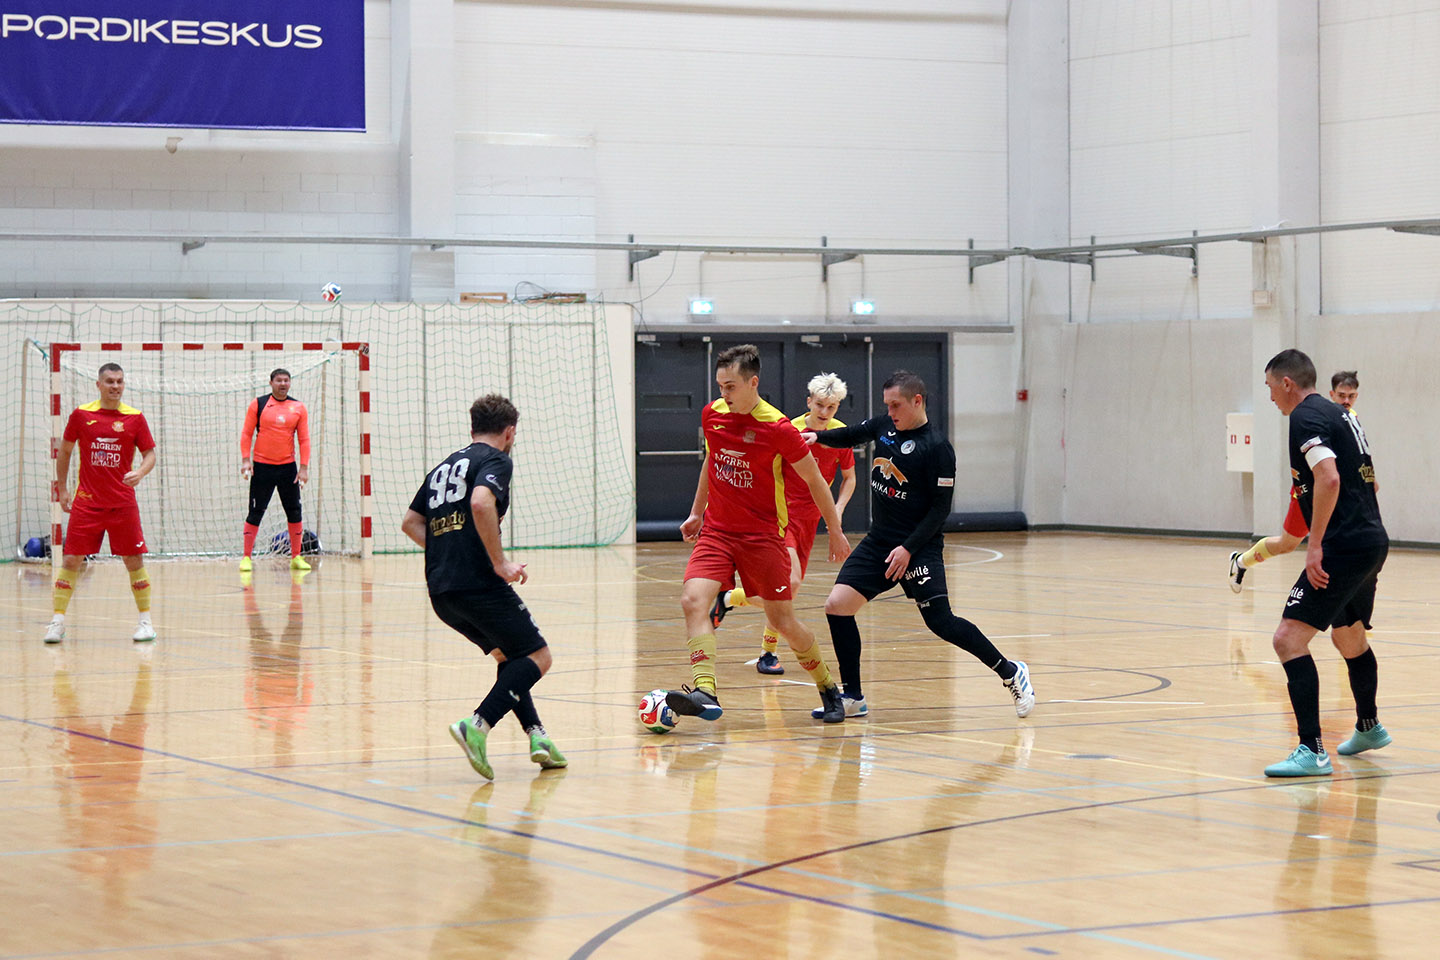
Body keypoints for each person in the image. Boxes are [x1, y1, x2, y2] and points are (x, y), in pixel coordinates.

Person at [804, 370, 1034, 720]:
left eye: (896, 405)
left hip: (918, 546)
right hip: (880, 541)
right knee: (837, 606)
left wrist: (909, 549)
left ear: (917, 401)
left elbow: (940, 510)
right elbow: (851, 435)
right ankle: (853, 697)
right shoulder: (885, 425)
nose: (890, 411)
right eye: (887, 405)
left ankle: (1010, 671)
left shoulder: (937, 448)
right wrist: (817, 437)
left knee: (941, 622)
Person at [669, 344, 854, 723]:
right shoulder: (712, 414)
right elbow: (712, 461)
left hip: (763, 536)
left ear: (753, 383)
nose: (724, 394)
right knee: (692, 600)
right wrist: (696, 513)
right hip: (718, 531)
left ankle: (828, 688)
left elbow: (816, 480)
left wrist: (835, 529)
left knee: (783, 620)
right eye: (720, 386)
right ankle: (705, 690)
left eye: (731, 386)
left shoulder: (778, 428)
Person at [401, 394, 565, 780]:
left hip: (442, 590)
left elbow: (410, 522)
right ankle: (477, 725)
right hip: (477, 583)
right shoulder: (496, 460)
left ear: (472, 427)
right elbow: (480, 503)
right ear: (509, 432)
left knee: (511, 657)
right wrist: (498, 562)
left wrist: (448, 551)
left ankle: (537, 736)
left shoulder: (443, 467)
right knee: (539, 656)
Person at [1259, 349, 1390, 777]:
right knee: (1348, 637)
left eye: (1270, 388)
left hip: (1342, 546)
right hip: (1370, 539)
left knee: (1287, 640)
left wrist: (1315, 545)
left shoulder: (1305, 417)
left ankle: (1312, 750)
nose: (1271, 398)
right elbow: (1367, 480)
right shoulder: (1341, 415)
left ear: (1287, 383)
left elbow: (1329, 477)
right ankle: (1368, 727)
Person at [709, 372, 858, 675]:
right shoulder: (790, 429)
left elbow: (849, 478)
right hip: (782, 516)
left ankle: (731, 601)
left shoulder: (840, 435)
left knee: (786, 591)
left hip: (811, 520)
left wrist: (837, 510)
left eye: (831, 407)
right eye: (819, 405)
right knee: (791, 583)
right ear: (809, 402)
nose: (824, 412)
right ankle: (768, 652)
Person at [45, 363, 157, 644]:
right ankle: (57, 622)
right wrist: (62, 488)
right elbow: (65, 451)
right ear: (98, 384)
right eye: (109, 381)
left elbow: (150, 454)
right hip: (87, 504)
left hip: (122, 504)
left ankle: (145, 623)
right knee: (71, 559)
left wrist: (140, 472)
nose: (115, 386)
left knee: (134, 561)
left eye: (119, 381)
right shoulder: (82, 415)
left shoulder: (135, 418)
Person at [1228, 370, 1370, 591]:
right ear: (1331, 394)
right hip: (1311, 491)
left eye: (1351, 396)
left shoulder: (1351, 419)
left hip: (1338, 494)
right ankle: (1240, 561)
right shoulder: (1315, 416)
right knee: (1287, 544)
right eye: (1341, 395)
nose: (1346, 401)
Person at [239, 368, 312, 572]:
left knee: (294, 511)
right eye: (279, 380)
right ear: (271, 383)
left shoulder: (298, 407)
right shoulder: (259, 404)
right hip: (262, 468)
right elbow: (246, 434)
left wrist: (303, 468)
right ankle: (246, 557)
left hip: (288, 468)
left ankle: (296, 557)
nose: (283, 384)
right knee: (255, 512)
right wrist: (246, 460)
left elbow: (304, 440)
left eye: (286, 380)